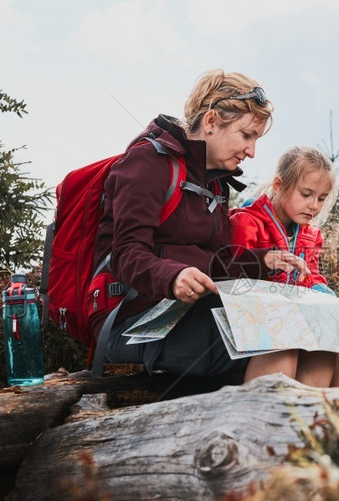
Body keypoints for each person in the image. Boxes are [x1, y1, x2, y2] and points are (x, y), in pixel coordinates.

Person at [92, 69, 310, 379]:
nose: (252, 151)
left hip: (191, 311)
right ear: (210, 122)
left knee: (314, 343)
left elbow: (218, 263)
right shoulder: (146, 164)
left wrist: (265, 260)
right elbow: (126, 254)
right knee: (278, 341)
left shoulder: (215, 183)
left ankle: (310, 427)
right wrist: (174, 277)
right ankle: (266, 425)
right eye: (246, 136)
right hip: (134, 320)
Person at [229, 145, 339, 387]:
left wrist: (326, 298)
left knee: (338, 342)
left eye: (321, 198)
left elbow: (312, 278)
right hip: (257, 322)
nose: (314, 206)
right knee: (301, 341)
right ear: (279, 185)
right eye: (306, 194)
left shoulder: (311, 235)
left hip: (296, 320)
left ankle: (329, 409)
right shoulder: (246, 222)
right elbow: (234, 273)